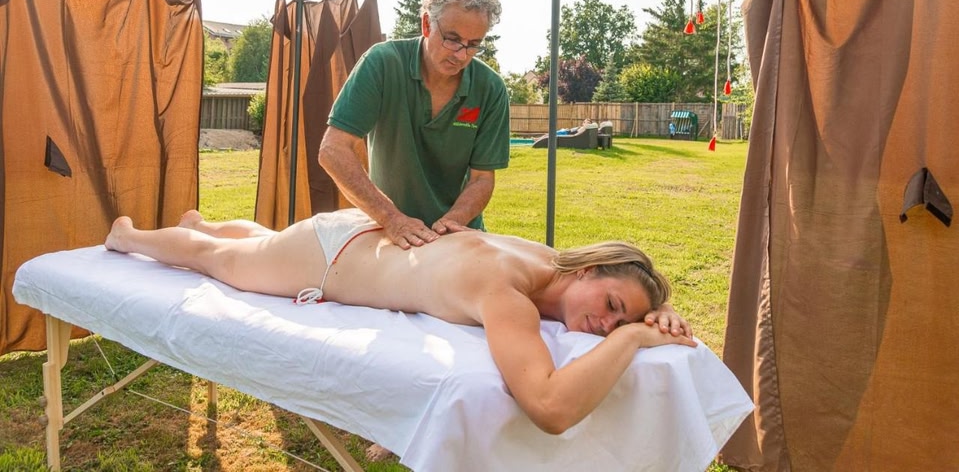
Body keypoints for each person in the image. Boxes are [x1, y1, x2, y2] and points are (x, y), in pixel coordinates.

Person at [104, 209, 697, 435]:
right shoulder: (506, 291)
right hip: (329, 256)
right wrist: (636, 337)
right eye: (612, 306)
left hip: (359, 235)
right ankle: (129, 236)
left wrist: (655, 312)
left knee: (261, 243)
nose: (606, 325)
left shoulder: (547, 258)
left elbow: (625, 297)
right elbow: (550, 407)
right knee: (220, 262)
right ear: (589, 270)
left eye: (620, 321)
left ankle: (205, 222)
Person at [319, 0, 510, 250]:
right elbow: (333, 150)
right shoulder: (383, 63)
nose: (460, 55)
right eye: (452, 39)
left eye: (473, 45)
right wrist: (391, 218)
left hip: (457, 233)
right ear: (426, 24)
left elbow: (482, 178)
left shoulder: (490, 88)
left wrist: (451, 223)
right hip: (389, 232)